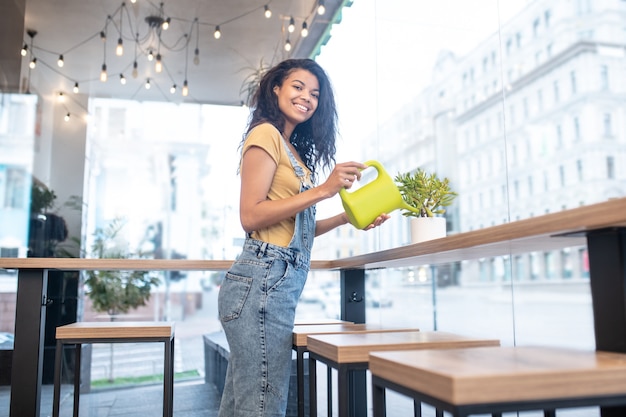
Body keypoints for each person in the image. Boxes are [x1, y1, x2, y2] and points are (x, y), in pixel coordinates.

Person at [217, 58, 389, 417]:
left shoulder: (290, 148)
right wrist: (325, 190)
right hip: (262, 280)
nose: (306, 98)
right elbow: (251, 215)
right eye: (298, 87)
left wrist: (347, 218)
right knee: (262, 403)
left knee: (244, 405)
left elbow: (295, 224)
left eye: (314, 94)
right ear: (276, 88)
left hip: (272, 282)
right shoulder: (265, 135)